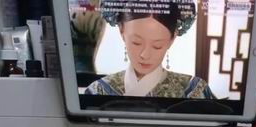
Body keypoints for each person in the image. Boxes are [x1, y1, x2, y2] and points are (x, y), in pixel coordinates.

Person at [85, 1, 215, 98]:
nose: (145, 55)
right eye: (136, 43)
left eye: (157, 46)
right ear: (121, 31)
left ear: (172, 39)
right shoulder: (98, 91)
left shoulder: (194, 91)